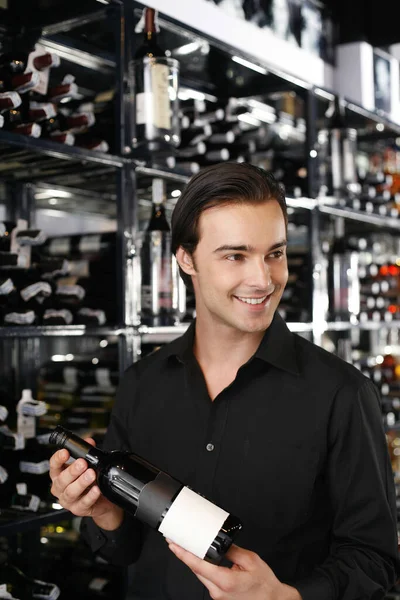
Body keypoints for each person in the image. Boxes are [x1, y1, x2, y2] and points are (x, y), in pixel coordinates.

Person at [49, 162, 400, 600]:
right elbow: (126, 552)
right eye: (235, 255)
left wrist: (287, 597)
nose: (263, 278)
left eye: (274, 252)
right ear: (186, 258)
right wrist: (104, 512)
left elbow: (375, 559)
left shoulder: (341, 394)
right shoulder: (142, 384)